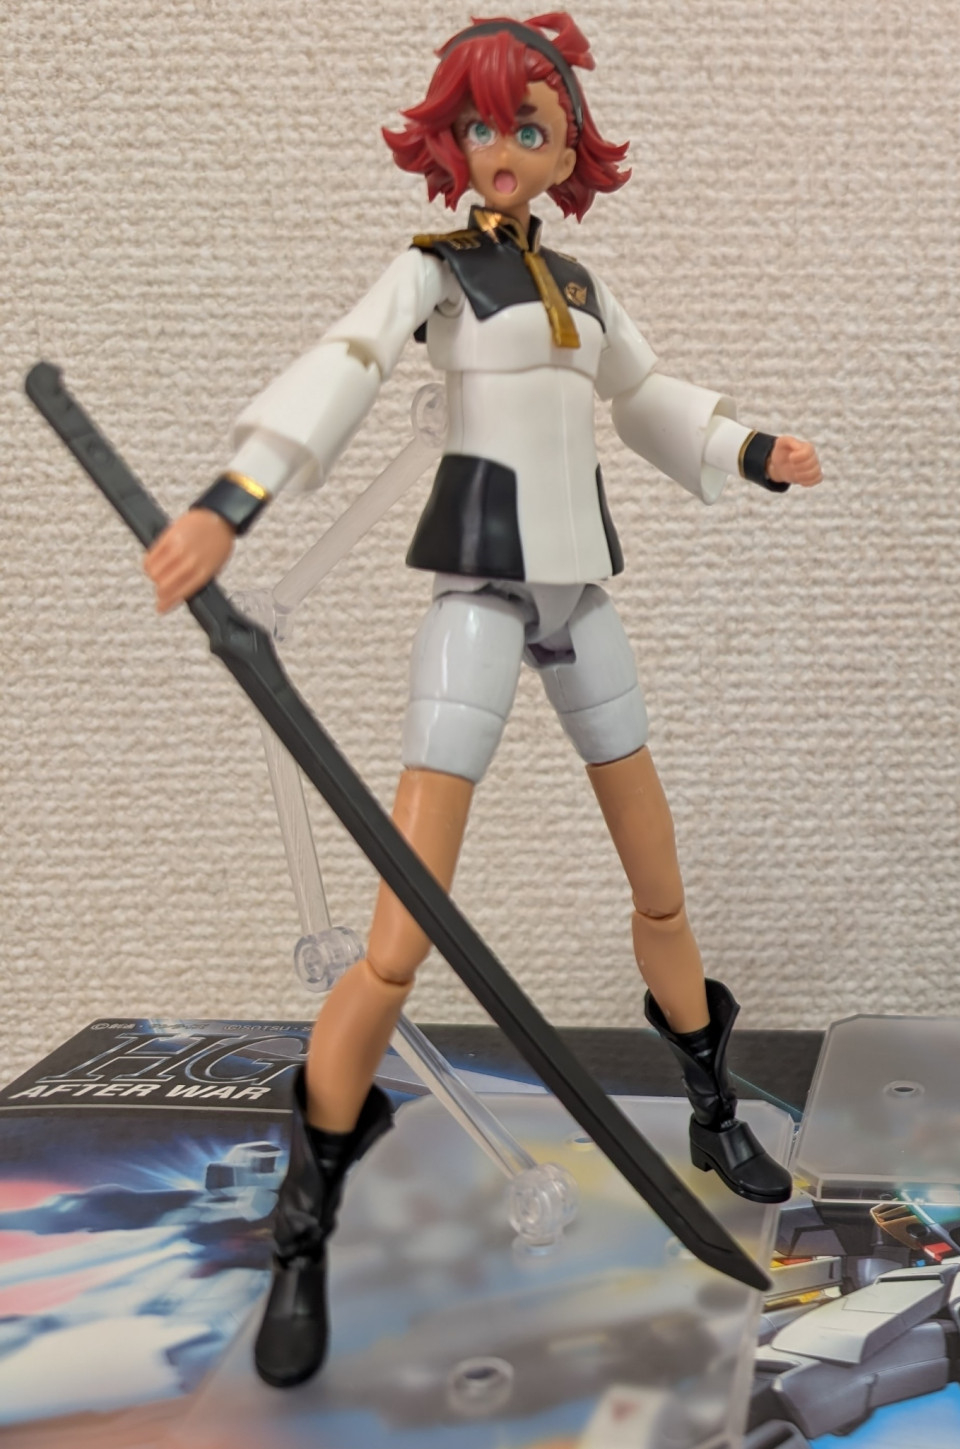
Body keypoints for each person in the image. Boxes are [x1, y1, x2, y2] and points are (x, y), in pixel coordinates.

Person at [141, 11, 820, 1388]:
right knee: (399, 936)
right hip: (478, 597)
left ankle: (707, 1102)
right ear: (450, 141)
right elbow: (342, 367)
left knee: (661, 885)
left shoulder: (579, 286)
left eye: (529, 127)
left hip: (582, 599)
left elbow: (649, 398)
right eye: (482, 125)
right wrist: (233, 499)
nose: (502, 149)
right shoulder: (436, 272)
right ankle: (307, 1218)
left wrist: (750, 448)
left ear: (567, 149)